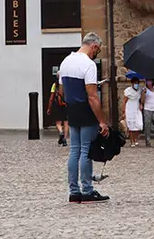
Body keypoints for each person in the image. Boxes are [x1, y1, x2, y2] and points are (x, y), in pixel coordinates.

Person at [58, 33, 110, 203]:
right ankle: (87, 189)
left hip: (72, 110)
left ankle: (74, 191)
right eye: (98, 50)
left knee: (74, 150)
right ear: (94, 46)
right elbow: (93, 96)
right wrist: (102, 120)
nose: (97, 54)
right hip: (86, 111)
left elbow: (61, 92)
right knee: (86, 150)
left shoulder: (65, 61)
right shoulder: (88, 64)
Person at [123, 76, 144, 147]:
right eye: (135, 83)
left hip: (137, 108)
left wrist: (141, 103)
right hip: (130, 108)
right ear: (132, 83)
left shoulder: (140, 90)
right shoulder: (128, 90)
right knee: (131, 126)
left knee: (138, 124)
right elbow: (124, 101)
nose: (136, 84)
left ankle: (136, 139)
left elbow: (142, 99)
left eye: (137, 83)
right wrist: (123, 111)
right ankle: (132, 141)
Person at [49, 79, 68, 146]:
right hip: (66, 105)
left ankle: (61, 132)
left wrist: (49, 108)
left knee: (58, 123)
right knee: (66, 123)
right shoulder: (67, 84)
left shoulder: (55, 85)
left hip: (57, 105)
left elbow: (51, 97)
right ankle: (64, 139)